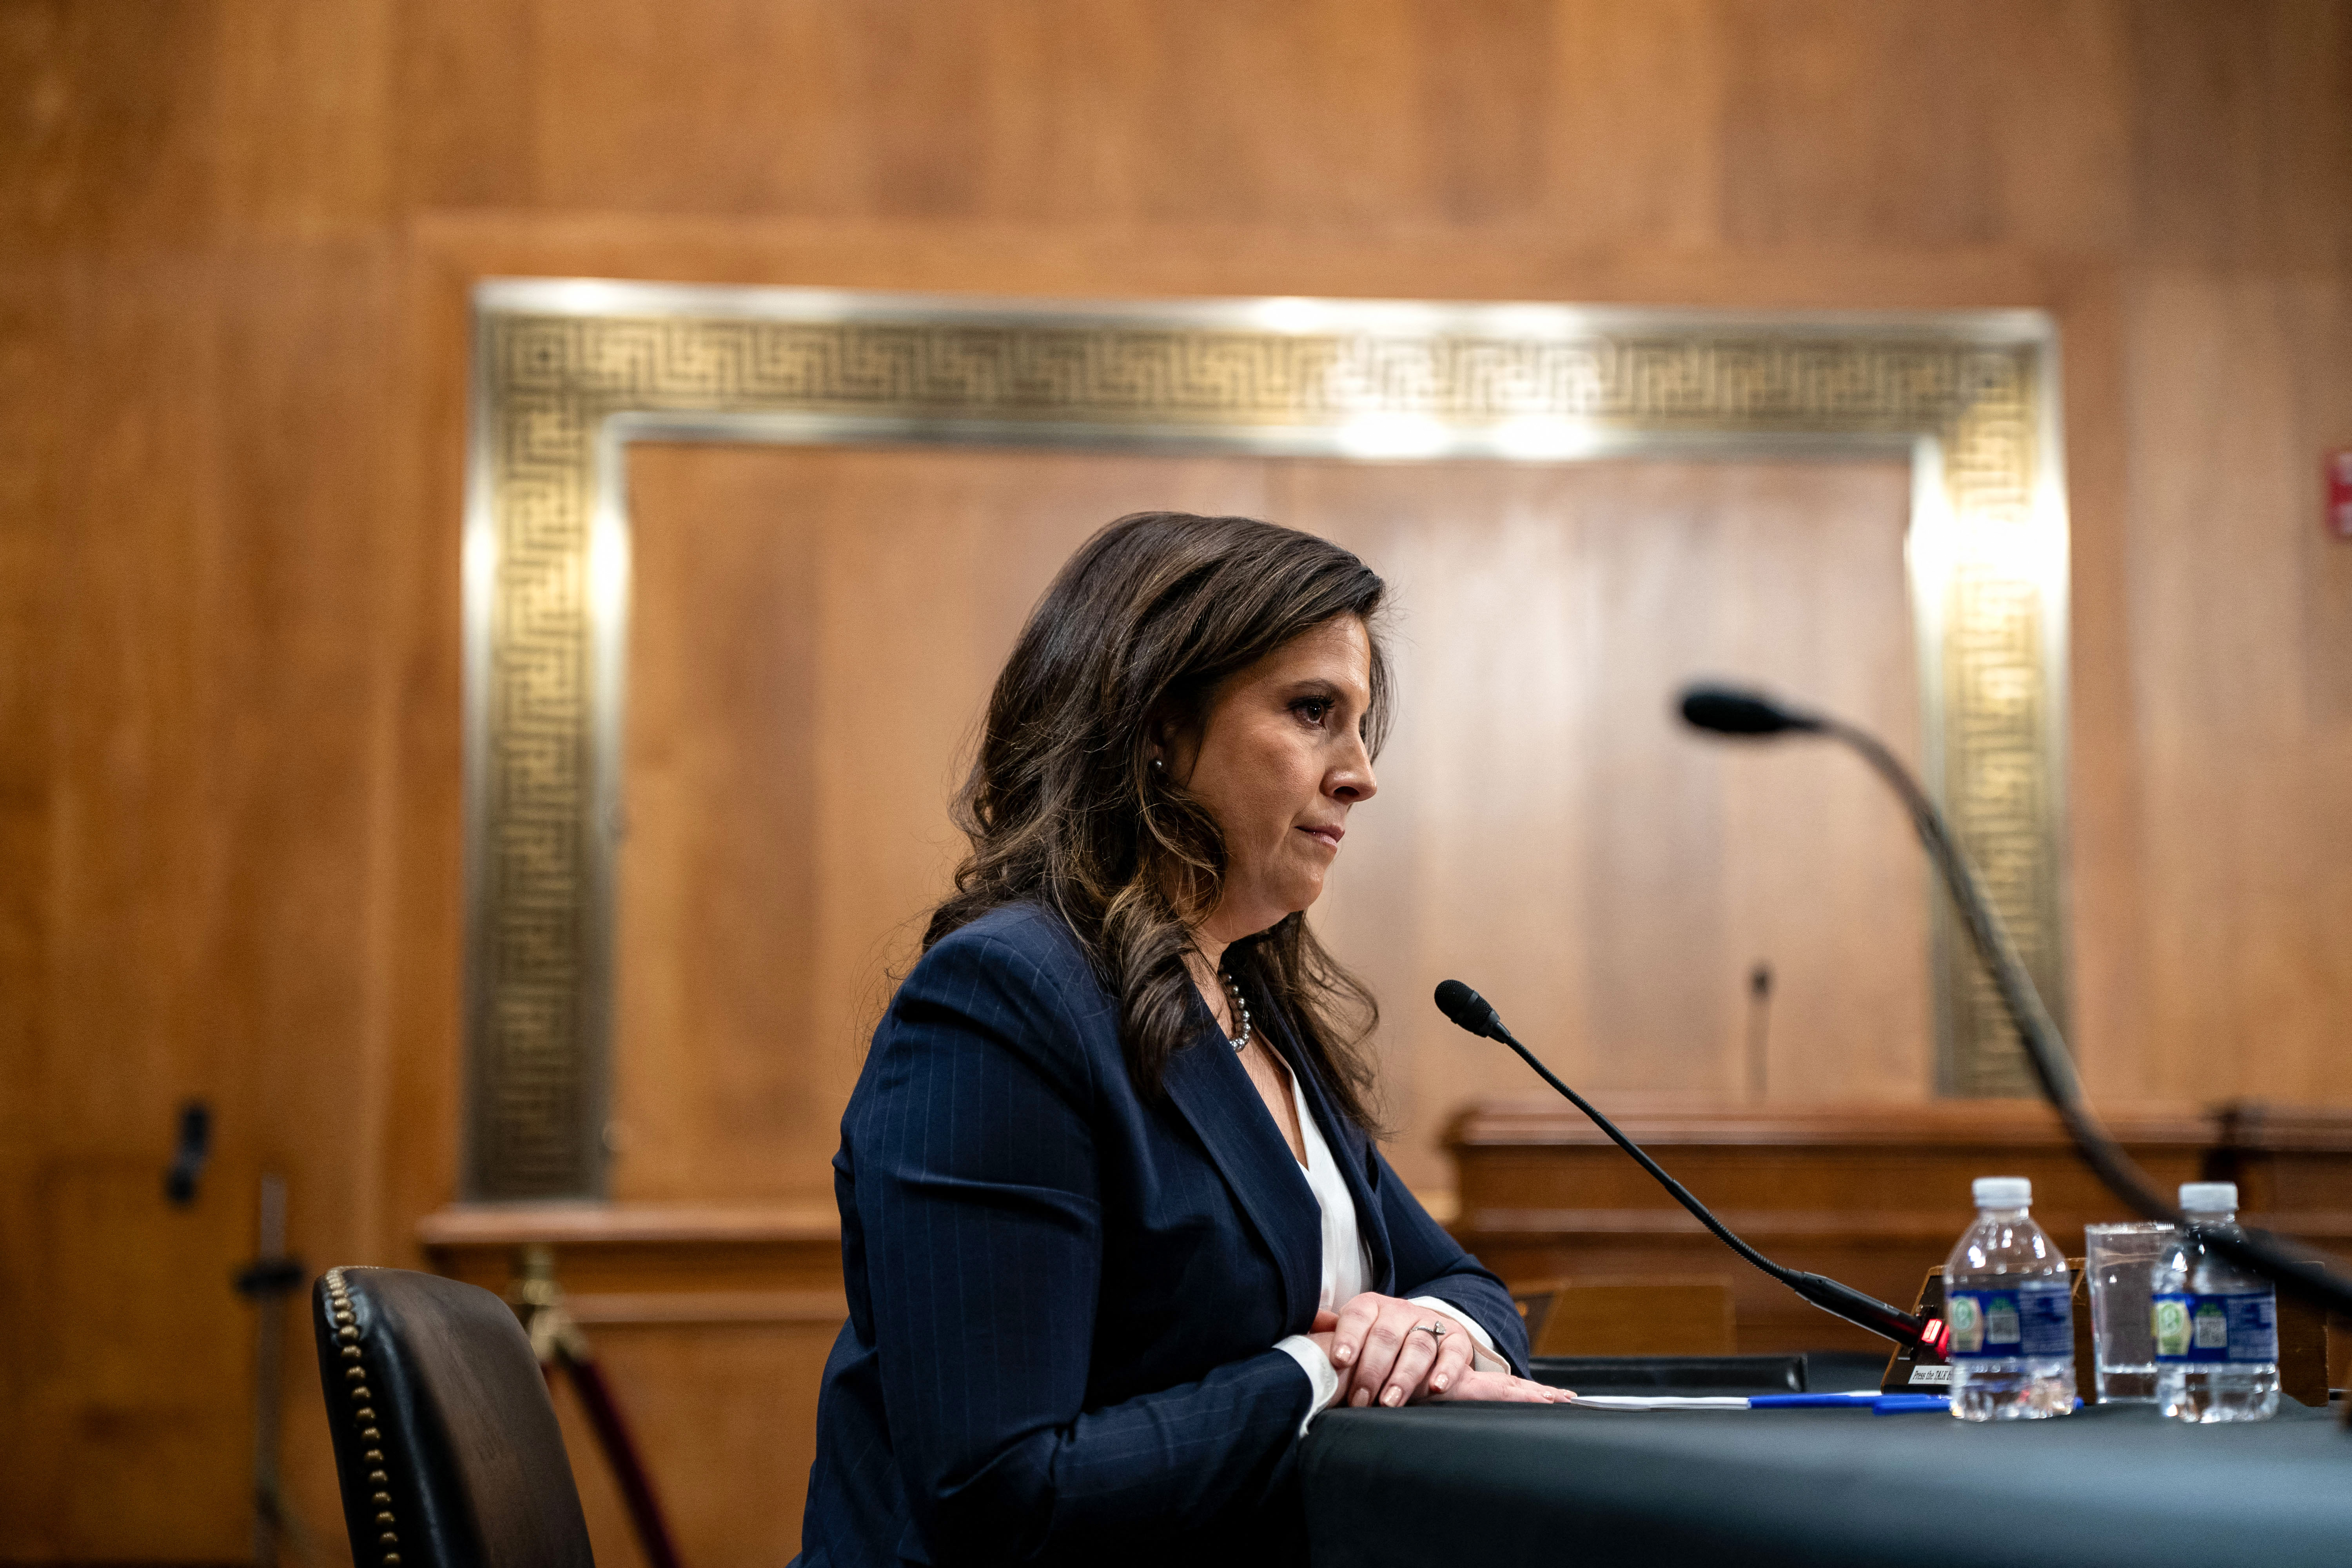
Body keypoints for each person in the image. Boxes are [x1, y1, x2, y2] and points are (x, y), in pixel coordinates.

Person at [794, 512, 1566, 1568]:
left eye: (1358, 725)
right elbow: (1002, 1491)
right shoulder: (1002, 1001)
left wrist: (1429, 1334)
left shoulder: (1247, 996)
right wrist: (1318, 1371)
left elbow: (1464, 1285)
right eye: (1311, 713)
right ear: (1158, 726)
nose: (1359, 774)